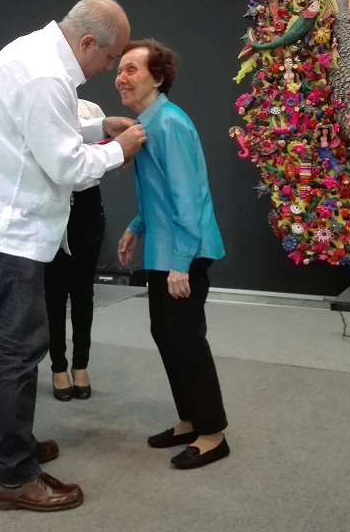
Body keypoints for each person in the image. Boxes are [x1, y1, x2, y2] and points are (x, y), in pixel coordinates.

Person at [0, 0, 146, 511]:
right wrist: (116, 151)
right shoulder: (46, 77)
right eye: (109, 58)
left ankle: (3, 444)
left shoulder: (33, 54)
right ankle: (14, 478)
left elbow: (34, 133)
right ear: (86, 42)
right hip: (8, 229)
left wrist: (96, 127)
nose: (109, 70)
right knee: (20, 347)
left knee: (1, 340)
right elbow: (65, 167)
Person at [115, 38, 229, 470]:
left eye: (131, 69)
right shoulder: (147, 123)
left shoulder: (170, 124)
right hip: (162, 251)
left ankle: (213, 433)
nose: (121, 78)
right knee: (166, 336)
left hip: (184, 253)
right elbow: (157, 192)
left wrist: (180, 263)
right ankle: (190, 418)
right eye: (120, 69)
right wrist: (135, 227)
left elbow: (189, 198)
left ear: (157, 77)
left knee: (187, 341)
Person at [46, 99, 107, 402]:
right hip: (51, 202)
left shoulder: (91, 110)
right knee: (53, 293)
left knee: (83, 292)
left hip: (86, 206)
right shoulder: (46, 106)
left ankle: (81, 365)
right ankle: (58, 366)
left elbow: (101, 159)